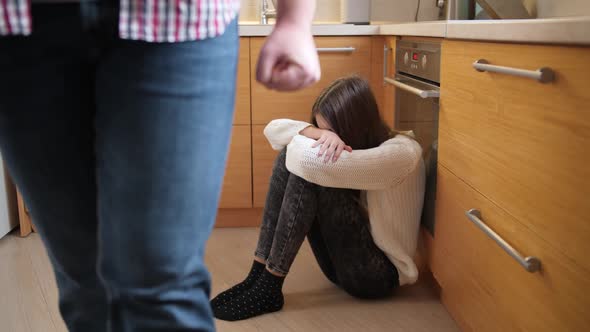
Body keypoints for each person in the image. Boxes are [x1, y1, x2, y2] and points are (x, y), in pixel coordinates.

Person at [0, 0, 319, 331]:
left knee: (161, 285)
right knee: (86, 285)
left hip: (178, 20)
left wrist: (294, 20)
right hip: (24, 26)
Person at [211, 76, 427, 321]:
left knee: (309, 167)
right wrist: (314, 132)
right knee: (292, 155)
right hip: (341, 265)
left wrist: (310, 138)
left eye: (330, 131)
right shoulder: (359, 142)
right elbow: (273, 130)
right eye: (321, 129)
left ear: (354, 126)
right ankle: (258, 276)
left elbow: (305, 161)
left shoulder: (401, 153)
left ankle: (269, 286)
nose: (325, 138)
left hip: (377, 276)